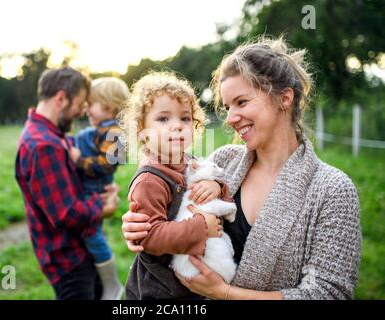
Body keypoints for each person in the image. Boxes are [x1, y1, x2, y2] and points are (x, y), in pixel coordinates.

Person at [121, 37, 362, 300]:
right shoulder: (223, 161)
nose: (231, 118)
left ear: (284, 98)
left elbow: (329, 294)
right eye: (227, 107)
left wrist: (225, 293)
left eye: (242, 102)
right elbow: (170, 212)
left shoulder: (332, 190)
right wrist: (139, 228)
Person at [119, 71, 232, 299]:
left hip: (191, 282)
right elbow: (150, 237)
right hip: (160, 290)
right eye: (163, 119)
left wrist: (216, 187)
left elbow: (221, 201)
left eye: (185, 118)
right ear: (142, 131)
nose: (177, 126)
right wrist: (202, 227)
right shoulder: (149, 181)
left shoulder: (192, 163)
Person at [15, 67, 117, 300]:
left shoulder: (51, 134)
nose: (82, 111)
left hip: (76, 251)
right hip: (68, 259)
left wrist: (104, 187)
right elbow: (66, 213)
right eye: (79, 104)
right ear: (61, 98)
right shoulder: (44, 145)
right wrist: (104, 205)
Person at [68, 77, 129, 300]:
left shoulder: (112, 131)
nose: (86, 110)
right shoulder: (105, 130)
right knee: (92, 233)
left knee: (93, 234)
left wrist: (79, 161)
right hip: (94, 186)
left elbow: (111, 163)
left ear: (109, 106)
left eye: (90, 104)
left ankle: (112, 284)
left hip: (95, 188)